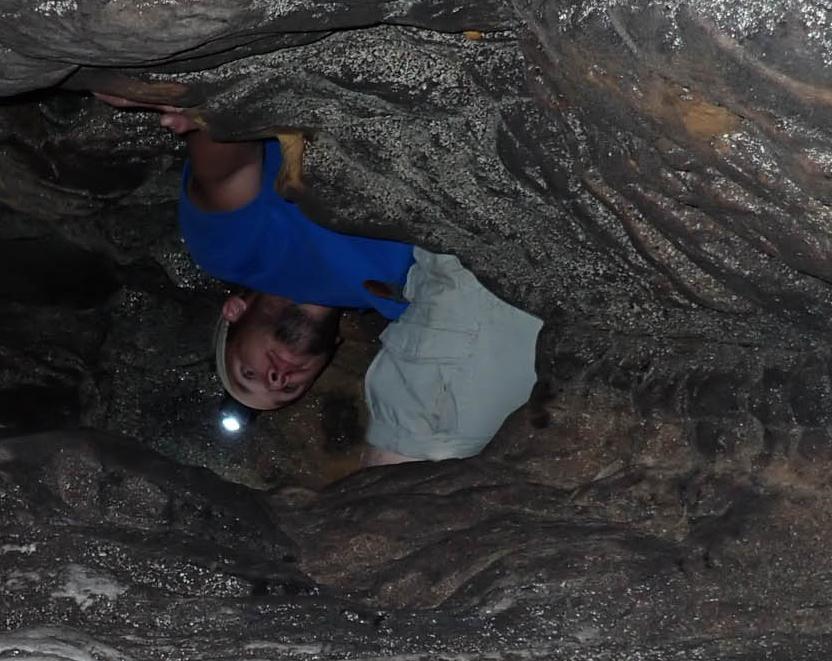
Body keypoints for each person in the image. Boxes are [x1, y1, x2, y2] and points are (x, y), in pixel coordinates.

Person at [97, 94, 541, 466]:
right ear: (330, 356)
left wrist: (211, 105)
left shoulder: (235, 256)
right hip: (502, 223)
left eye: (248, 371)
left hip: (411, 132)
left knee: (424, 445)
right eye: (290, 388)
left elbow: (227, 170)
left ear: (234, 312)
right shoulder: (392, 303)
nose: (276, 379)